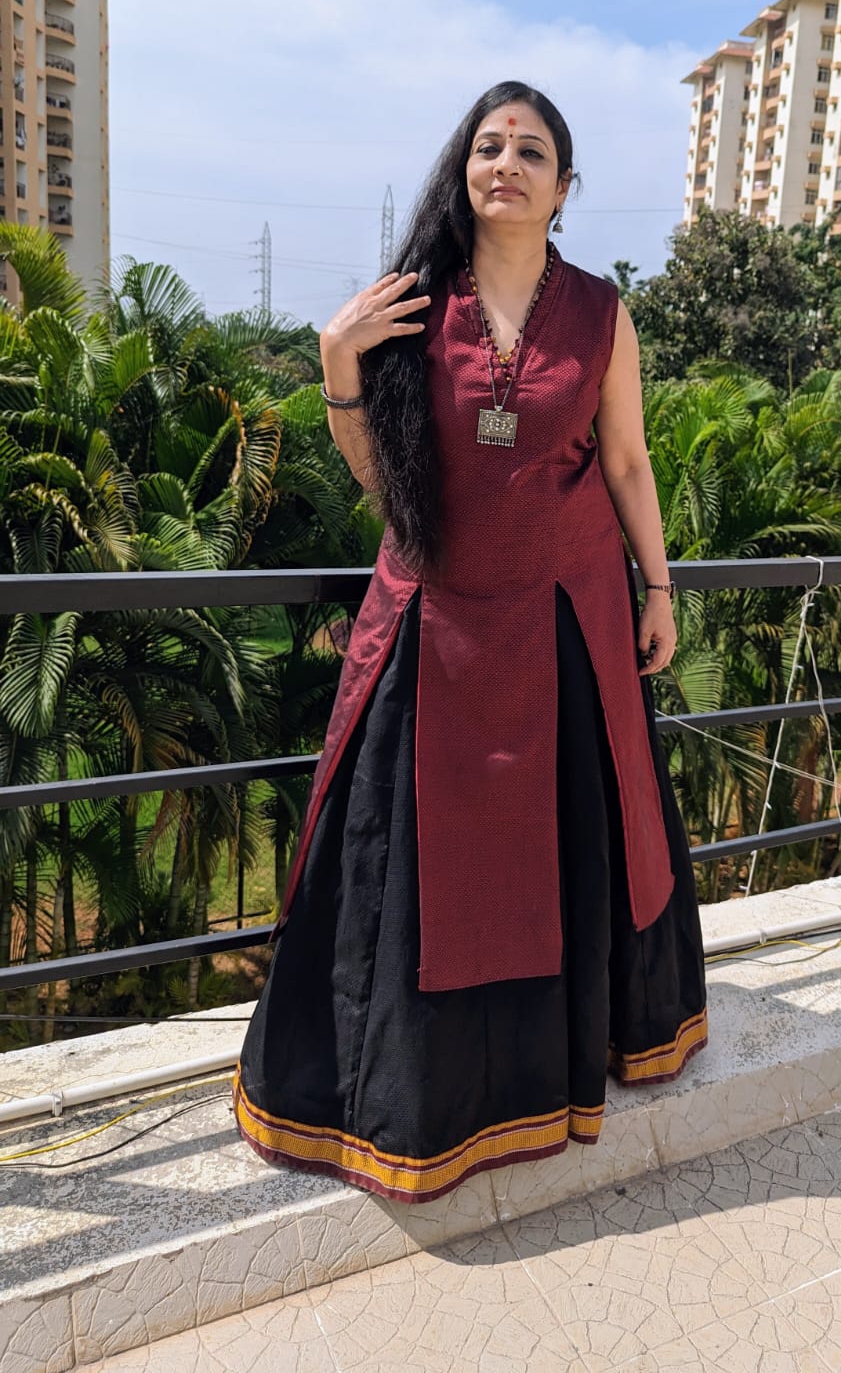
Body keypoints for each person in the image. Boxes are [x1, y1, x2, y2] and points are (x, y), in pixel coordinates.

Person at [231, 80, 708, 1203]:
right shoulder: (409, 304)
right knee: (417, 873)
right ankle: (419, 1097)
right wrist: (338, 364)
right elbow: (386, 489)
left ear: (563, 185)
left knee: (571, 850)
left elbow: (630, 463)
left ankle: (570, 1065)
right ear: (463, 169)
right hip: (435, 623)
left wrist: (659, 586)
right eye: (488, 145)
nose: (506, 163)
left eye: (530, 149)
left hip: (567, 619)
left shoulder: (599, 312)